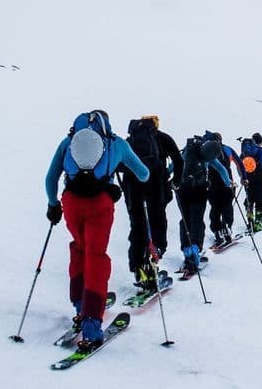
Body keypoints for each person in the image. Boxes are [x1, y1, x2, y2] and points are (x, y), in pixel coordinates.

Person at [45, 110, 149, 351]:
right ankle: (92, 324)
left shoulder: (68, 142)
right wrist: (118, 168)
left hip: (71, 202)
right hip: (100, 205)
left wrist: (53, 204)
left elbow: (51, 177)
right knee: (96, 257)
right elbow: (144, 174)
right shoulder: (116, 144)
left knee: (79, 250)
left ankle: (80, 306)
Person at [122, 115, 184, 289]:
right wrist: (176, 181)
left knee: (137, 225)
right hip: (156, 186)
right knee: (157, 221)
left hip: (132, 187)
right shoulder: (163, 138)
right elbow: (179, 160)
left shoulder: (130, 141)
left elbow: (120, 164)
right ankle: (154, 258)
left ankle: (138, 267)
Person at [175, 136, 231, 272]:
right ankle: (195, 249)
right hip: (199, 190)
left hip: (182, 190)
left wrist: (172, 180)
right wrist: (228, 184)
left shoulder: (188, 151)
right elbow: (221, 169)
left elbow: (173, 166)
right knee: (197, 219)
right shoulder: (210, 156)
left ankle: (187, 250)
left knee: (186, 219)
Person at [204, 131, 245, 246]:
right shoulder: (228, 149)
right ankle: (227, 226)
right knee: (227, 206)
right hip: (227, 183)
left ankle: (217, 231)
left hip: (212, 184)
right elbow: (239, 164)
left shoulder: (206, 150)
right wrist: (244, 177)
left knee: (215, 207)